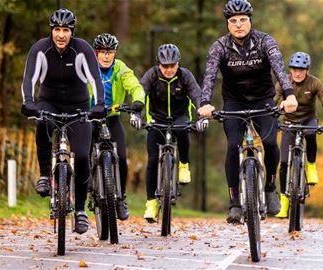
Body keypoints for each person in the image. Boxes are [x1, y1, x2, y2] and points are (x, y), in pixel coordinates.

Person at [197, 0, 298, 224]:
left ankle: (271, 187)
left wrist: (290, 94)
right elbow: (210, 76)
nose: (239, 25)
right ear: (227, 25)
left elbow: (279, 69)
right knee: (233, 146)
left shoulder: (265, 41)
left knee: (271, 143)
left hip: (264, 100)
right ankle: (234, 202)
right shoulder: (219, 47)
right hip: (234, 102)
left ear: (250, 20)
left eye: (243, 20)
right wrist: (205, 102)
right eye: (233, 21)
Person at [20, 8, 105, 234]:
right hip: (49, 102)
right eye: (57, 30)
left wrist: (99, 105)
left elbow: (96, 79)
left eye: (65, 30)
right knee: (41, 122)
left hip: (79, 106)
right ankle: (46, 176)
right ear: (52, 31)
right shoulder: (40, 49)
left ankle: (79, 211)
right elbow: (29, 77)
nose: (61, 35)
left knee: (83, 154)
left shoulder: (82, 49)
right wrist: (28, 101)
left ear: (71, 32)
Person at [140, 44, 201, 222]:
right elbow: (140, 93)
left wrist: (202, 113)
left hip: (180, 116)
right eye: (164, 66)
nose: (168, 70)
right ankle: (151, 202)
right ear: (159, 65)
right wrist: (137, 114)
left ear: (178, 64)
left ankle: (183, 164)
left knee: (183, 131)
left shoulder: (185, 76)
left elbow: (197, 95)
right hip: (157, 118)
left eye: (172, 65)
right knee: (152, 160)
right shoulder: (151, 75)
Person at [274, 52, 323, 218]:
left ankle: (310, 166)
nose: (297, 73)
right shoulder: (284, 81)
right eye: (295, 69)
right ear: (291, 70)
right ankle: (284, 202)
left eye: (301, 70)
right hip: (289, 122)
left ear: (307, 70)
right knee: (283, 162)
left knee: (311, 133)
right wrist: (271, 116)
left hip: (308, 120)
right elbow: (273, 100)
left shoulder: (315, 83)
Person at [90, 33, 145, 221]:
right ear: (96, 52)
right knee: (84, 153)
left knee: (121, 157)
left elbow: (134, 84)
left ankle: (120, 198)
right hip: (89, 118)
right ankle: (88, 188)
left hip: (112, 117)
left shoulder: (120, 68)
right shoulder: (88, 66)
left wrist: (138, 100)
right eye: (103, 52)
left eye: (110, 52)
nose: (106, 56)